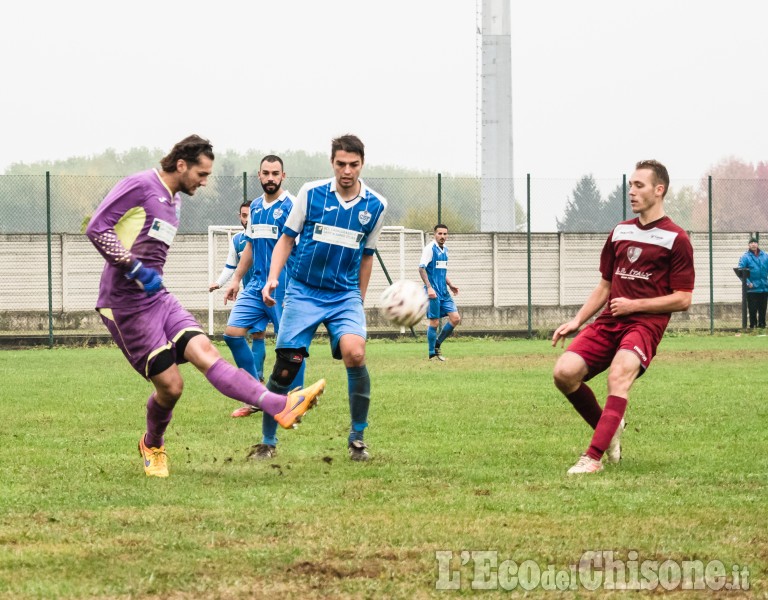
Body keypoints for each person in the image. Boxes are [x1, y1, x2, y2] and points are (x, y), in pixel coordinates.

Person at [85, 135, 325, 478]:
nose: (205, 181)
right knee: (172, 387)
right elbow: (97, 228)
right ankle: (152, 444)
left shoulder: (174, 202)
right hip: (124, 305)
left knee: (207, 353)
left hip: (159, 298)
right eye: (202, 173)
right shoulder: (139, 185)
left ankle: (280, 405)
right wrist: (134, 268)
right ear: (181, 165)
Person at [229, 134, 387, 461]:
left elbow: (367, 256)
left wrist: (358, 298)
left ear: (362, 164)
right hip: (302, 291)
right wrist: (273, 278)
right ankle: (268, 442)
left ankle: (357, 438)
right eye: (341, 164)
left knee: (355, 353)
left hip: (343, 294)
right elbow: (286, 240)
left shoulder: (375, 205)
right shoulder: (311, 194)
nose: (347, 171)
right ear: (332, 163)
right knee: (286, 366)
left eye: (353, 165)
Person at [551, 160, 694, 475]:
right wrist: (577, 321)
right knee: (564, 372)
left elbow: (683, 298)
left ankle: (592, 458)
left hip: (645, 326)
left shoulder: (676, 238)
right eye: (631, 185)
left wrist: (634, 306)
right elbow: (605, 285)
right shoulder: (620, 231)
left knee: (619, 375)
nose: (631, 191)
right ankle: (611, 427)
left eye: (639, 186)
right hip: (609, 321)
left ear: (660, 190)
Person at [222, 155, 307, 460]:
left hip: (284, 288)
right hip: (256, 286)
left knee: (289, 346)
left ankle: (296, 398)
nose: (270, 177)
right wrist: (235, 280)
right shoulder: (256, 207)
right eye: (266, 173)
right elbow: (249, 246)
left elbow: (300, 247)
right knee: (232, 334)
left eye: (275, 173)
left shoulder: (293, 206)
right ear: (259, 175)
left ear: (283, 175)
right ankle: (255, 391)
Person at [418, 224, 461, 361]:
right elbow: (421, 269)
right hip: (433, 292)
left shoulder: (445, 250)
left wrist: (450, 284)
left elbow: (442, 271)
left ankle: (437, 343)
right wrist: (429, 288)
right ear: (434, 234)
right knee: (435, 322)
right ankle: (432, 353)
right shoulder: (430, 249)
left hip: (444, 291)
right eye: (440, 234)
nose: (442, 236)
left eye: (445, 234)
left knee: (455, 318)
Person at [208, 200, 252, 293]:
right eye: (244, 215)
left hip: (272, 293)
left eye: (250, 215)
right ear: (239, 216)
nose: (247, 219)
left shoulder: (267, 237)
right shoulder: (237, 240)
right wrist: (219, 283)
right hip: (250, 294)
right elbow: (230, 267)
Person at [737, 237, 768, 329]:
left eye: (755, 242)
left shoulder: (765, 256)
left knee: (763, 309)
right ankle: (753, 326)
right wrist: (747, 282)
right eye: (751, 243)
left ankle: (762, 325)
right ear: (749, 245)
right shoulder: (745, 257)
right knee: (752, 309)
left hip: (764, 287)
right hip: (752, 288)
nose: (753, 244)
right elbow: (740, 271)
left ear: (757, 244)